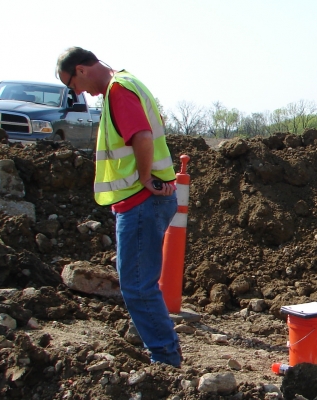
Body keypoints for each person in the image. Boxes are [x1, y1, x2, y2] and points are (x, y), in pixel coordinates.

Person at [55, 47, 182, 366]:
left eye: (72, 85)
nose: (77, 92)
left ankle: (165, 359)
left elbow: (141, 136)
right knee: (139, 284)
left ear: (81, 70)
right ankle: (164, 353)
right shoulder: (127, 82)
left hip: (141, 202)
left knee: (137, 286)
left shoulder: (118, 90)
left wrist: (143, 177)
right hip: (144, 201)